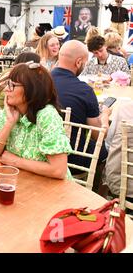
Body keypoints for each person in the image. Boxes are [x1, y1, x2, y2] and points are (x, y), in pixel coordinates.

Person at [0, 62, 72, 180]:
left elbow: (58, 170)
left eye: (12, 85)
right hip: (23, 182)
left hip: (52, 189)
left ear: (32, 89)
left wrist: (15, 161)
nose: (6, 89)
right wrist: (9, 123)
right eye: (7, 84)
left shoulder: (47, 115)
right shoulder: (10, 111)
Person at [51, 40, 110, 185]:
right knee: (103, 149)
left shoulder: (41, 81)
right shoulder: (84, 90)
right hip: (73, 157)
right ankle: (94, 195)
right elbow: (98, 135)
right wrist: (105, 116)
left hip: (40, 152)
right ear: (78, 62)